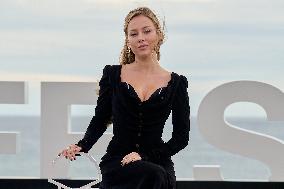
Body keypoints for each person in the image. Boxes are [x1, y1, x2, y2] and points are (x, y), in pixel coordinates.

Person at [59, 6, 190, 189]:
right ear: (128, 41)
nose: (141, 38)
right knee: (151, 175)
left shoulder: (177, 83)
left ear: (158, 35)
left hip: (157, 162)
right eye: (133, 34)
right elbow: (101, 118)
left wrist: (144, 156)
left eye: (147, 31)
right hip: (117, 162)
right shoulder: (113, 75)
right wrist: (82, 145)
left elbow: (181, 138)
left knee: (156, 175)